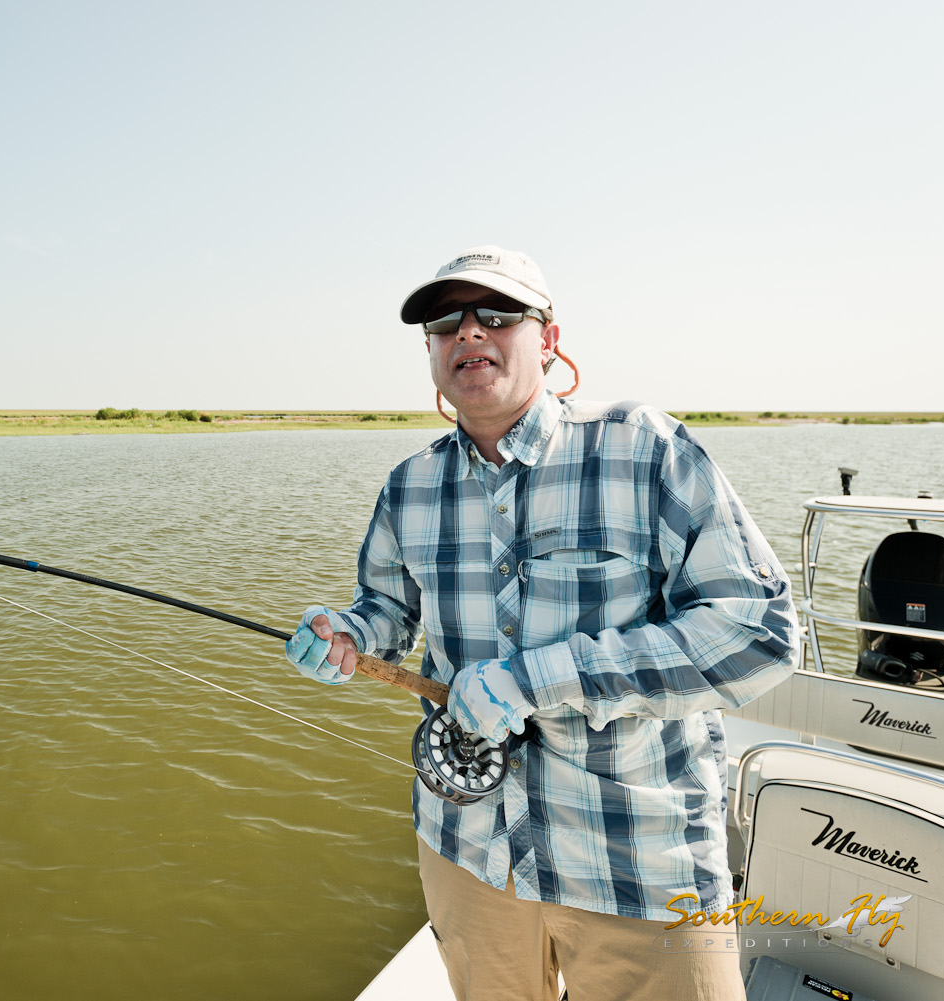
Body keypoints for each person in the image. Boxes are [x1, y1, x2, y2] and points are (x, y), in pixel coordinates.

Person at [284, 246, 797, 1001]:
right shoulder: (409, 485)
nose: (468, 334)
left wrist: (537, 678)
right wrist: (350, 636)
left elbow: (761, 633)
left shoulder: (645, 448)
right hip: (467, 852)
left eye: (497, 315)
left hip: (641, 867)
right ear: (429, 350)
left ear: (550, 340)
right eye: (445, 322)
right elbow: (388, 615)